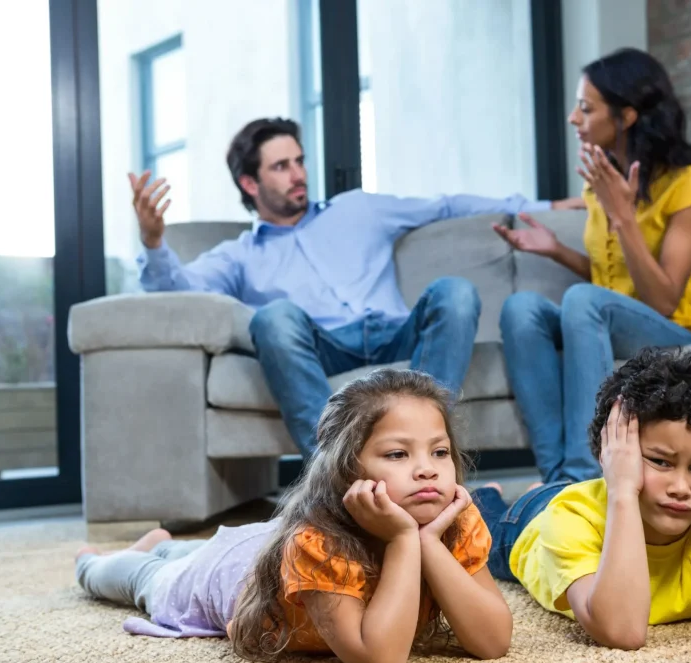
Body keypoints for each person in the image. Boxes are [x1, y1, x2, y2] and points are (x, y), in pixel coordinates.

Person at [130, 117, 583, 458]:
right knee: (273, 317)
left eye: (300, 161)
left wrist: (545, 207)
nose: (298, 174)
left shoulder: (358, 209)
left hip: (392, 334)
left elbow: (447, 205)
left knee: (456, 293)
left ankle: (426, 446)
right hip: (325, 348)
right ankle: (332, 470)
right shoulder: (240, 254)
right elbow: (177, 290)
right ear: (250, 183)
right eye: (282, 166)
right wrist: (153, 242)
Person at [74, 369, 512, 663]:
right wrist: (402, 537)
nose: (427, 470)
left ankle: (167, 545)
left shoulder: (451, 521)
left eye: (439, 452)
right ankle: (103, 560)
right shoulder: (318, 543)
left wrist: (427, 542)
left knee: (191, 550)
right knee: (147, 577)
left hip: (262, 544)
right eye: (398, 454)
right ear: (345, 469)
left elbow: (493, 642)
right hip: (223, 574)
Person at [493, 48, 691, 484]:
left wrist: (624, 217)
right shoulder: (600, 182)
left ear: (627, 115)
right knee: (521, 308)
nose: (573, 118)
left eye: (586, 107)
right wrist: (557, 250)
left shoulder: (687, 182)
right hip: (618, 319)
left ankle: (586, 476)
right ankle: (558, 481)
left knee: (581, 300)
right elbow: (609, 285)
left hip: (677, 332)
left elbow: (664, 299)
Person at [470, 347, 691, 649]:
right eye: (661, 461)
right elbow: (622, 631)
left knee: (566, 489)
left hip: (595, 493)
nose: (680, 487)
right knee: (481, 523)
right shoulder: (567, 520)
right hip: (530, 521)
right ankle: (493, 492)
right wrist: (622, 492)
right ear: (612, 455)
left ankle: (545, 485)